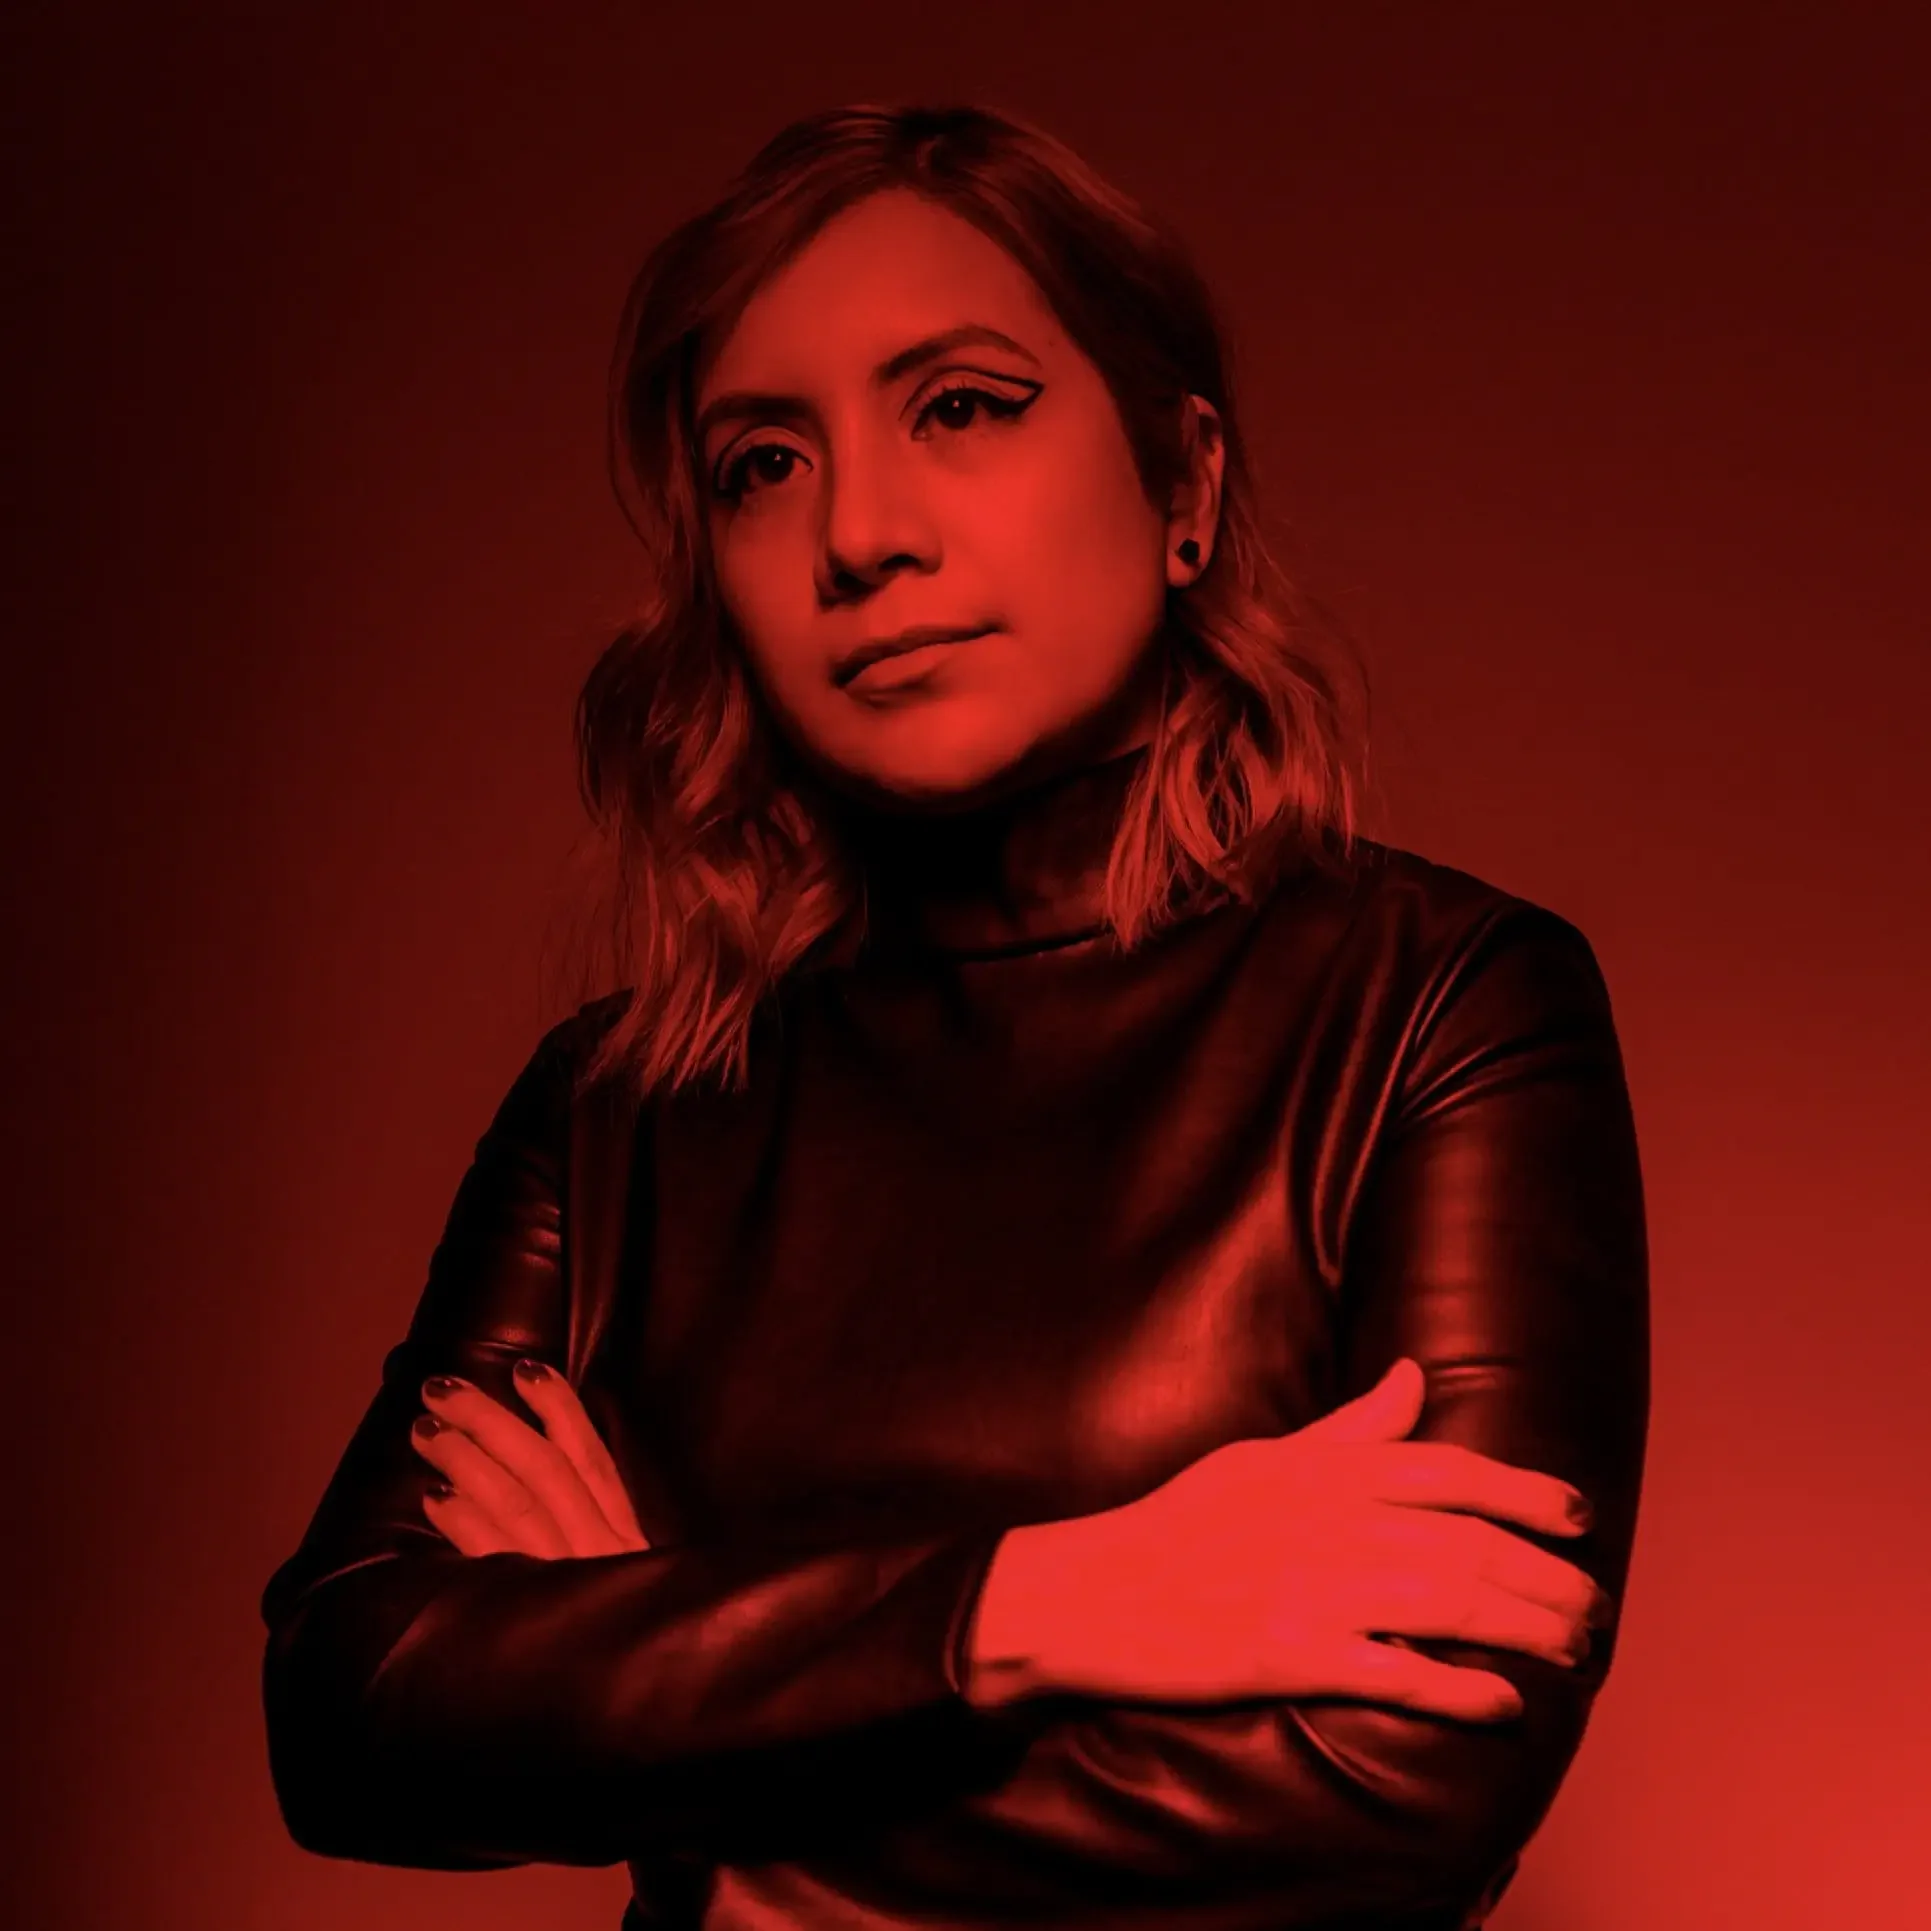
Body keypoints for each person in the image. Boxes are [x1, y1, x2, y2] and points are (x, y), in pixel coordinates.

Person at [260, 101, 1648, 1931]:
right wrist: (1041, 1606)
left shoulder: (1439, 1007)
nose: (857, 532)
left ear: (1185, 488)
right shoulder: (620, 1109)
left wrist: (676, 1726)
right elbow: (349, 1711)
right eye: (762, 460)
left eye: (962, 406)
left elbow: (1400, 1777)